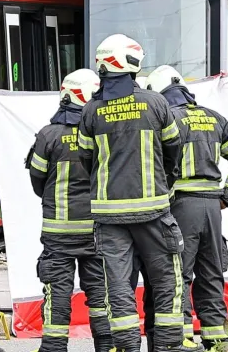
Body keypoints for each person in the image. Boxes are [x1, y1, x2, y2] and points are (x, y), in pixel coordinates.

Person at [77, 34, 185, 352]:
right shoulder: (156, 103)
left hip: (110, 217)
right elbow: (173, 150)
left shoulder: (91, 111)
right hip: (153, 213)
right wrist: (163, 184)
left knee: (118, 284)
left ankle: (126, 346)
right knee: (166, 279)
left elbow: (86, 160)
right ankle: (165, 346)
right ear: (133, 65)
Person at [147, 65, 228, 349]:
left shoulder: (166, 121)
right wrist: (227, 196)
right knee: (211, 271)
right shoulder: (214, 118)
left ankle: (180, 336)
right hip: (212, 208)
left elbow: (158, 168)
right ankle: (216, 338)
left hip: (181, 207)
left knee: (178, 271)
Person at [27, 69, 110, 352]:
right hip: (96, 232)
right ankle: (107, 346)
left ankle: (53, 348)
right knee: (101, 294)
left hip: (58, 233)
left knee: (57, 293)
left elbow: (37, 181)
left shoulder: (48, 136)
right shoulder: (102, 132)